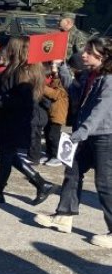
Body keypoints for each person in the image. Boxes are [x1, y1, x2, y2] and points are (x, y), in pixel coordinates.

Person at [34, 37, 112, 245]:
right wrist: (61, 69)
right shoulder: (89, 75)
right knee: (73, 171)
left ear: (103, 56)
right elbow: (73, 93)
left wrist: (81, 132)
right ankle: (63, 216)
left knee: (105, 183)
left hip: (105, 136)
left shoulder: (109, 79)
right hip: (85, 133)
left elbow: (101, 110)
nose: (83, 54)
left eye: (89, 51)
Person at [0, 37, 54, 205]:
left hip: (15, 120)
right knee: (7, 155)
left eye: (9, 47)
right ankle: (39, 184)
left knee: (6, 156)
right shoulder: (20, 69)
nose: (6, 49)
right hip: (11, 118)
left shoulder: (23, 71)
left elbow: (20, 99)